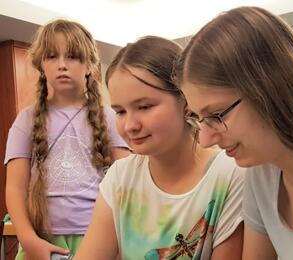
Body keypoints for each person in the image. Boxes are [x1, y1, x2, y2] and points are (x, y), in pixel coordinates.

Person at [174, 5, 293, 260]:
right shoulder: (262, 172)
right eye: (199, 120)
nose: (205, 139)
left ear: (270, 86)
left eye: (217, 115)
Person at [75, 36, 245, 260]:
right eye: (120, 111)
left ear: (186, 101)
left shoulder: (230, 175)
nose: (130, 126)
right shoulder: (120, 177)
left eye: (144, 107)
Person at [5, 19, 129, 260]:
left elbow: (127, 184)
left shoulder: (111, 118)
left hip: (100, 236)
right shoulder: (26, 120)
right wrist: (29, 240)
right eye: (52, 56)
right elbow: (15, 187)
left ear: (90, 64)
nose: (62, 65)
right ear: (41, 64)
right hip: (41, 239)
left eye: (72, 56)